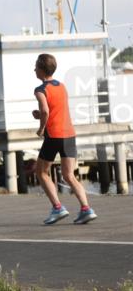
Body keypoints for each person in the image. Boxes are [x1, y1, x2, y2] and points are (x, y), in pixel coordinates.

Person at [31, 53, 96, 224]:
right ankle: (86, 209)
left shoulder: (40, 90)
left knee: (41, 172)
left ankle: (58, 208)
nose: (34, 69)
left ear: (41, 70)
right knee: (69, 175)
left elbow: (46, 110)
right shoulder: (62, 86)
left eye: (36, 67)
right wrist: (41, 115)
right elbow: (53, 110)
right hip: (69, 134)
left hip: (53, 135)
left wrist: (41, 127)